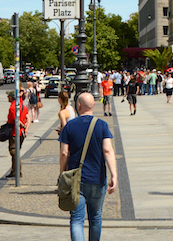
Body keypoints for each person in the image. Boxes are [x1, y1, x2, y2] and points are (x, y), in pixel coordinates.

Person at [59, 93, 117, 241]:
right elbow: (108, 150)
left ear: (79, 106)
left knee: (77, 219)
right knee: (96, 217)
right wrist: (114, 175)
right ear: (94, 106)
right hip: (97, 178)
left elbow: (64, 153)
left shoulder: (69, 126)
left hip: (76, 180)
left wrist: (61, 174)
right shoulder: (102, 125)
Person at [6, 88, 29, 177]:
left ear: (12, 98)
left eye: (8, 96)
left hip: (15, 133)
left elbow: (16, 119)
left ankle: (17, 172)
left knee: (14, 152)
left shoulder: (13, 107)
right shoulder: (22, 105)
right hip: (21, 133)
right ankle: (13, 171)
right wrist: (26, 128)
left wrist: (22, 125)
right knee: (16, 151)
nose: (7, 98)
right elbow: (28, 118)